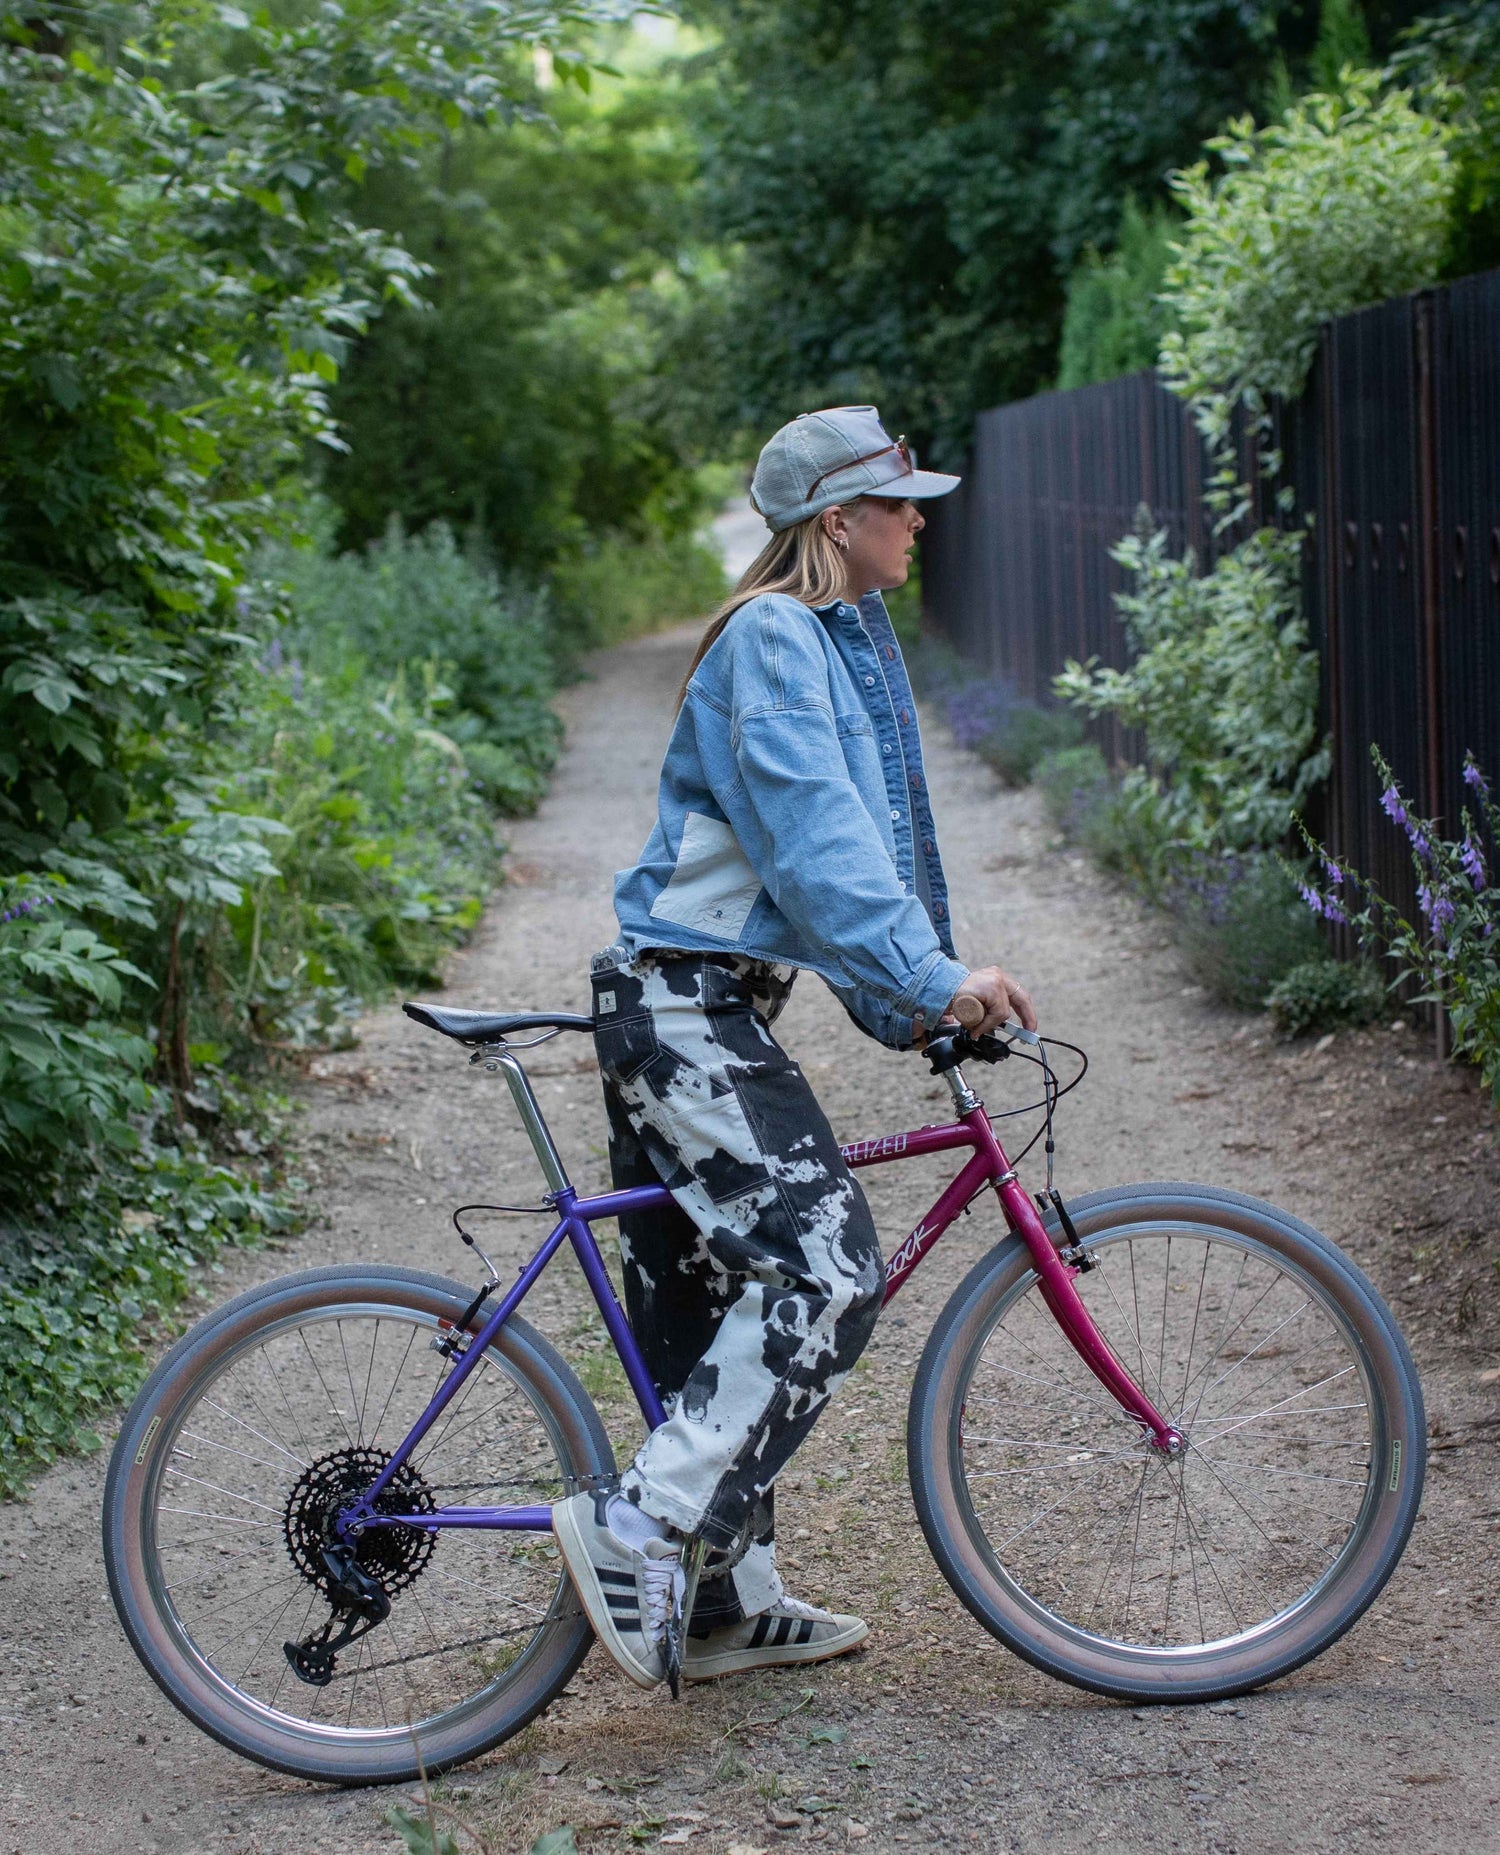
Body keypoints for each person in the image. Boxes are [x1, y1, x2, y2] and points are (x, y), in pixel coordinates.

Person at [552, 405, 1036, 1691]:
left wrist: (915, 1000)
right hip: (680, 1010)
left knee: (712, 1304)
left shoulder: (821, 639)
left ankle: (720, 1602)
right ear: (838, 518)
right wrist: (933, 977)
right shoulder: (776, 637)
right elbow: (821, 846)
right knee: (825, 1269)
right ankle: (641, 1529)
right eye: (900, 502)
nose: (918, 519)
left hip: (699, 1005)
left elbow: (844, 858)